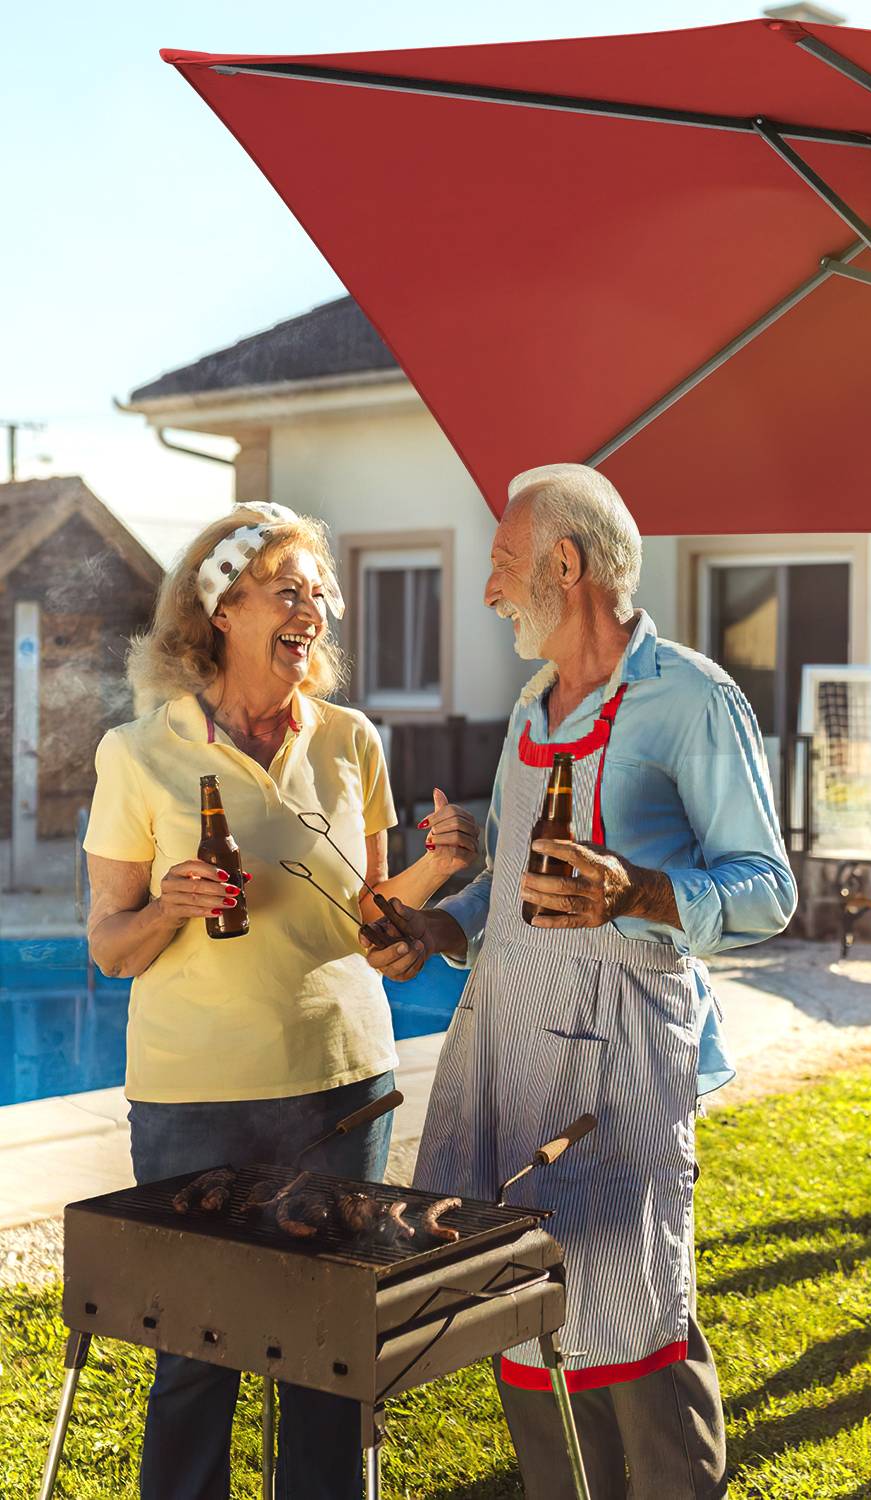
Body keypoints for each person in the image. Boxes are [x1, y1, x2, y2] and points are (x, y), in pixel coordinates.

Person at [361, 464, 796, 1500]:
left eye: (504, 566)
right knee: (525, 1312)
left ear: (567, 563)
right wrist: (435, 925)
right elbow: (506, 884)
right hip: (514, 1061)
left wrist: (639, 890)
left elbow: (771, 890)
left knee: (636, 1313)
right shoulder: (528, 710)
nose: (487, 592)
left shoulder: (693, 698)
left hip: (623, 1079)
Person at [83, 502, 478, 1500]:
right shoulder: (138, 753)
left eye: (320, 595)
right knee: (194, 1360)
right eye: (289, 590)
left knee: (328, 1364)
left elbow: (371, 924)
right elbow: (108, 947)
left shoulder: (350, 741)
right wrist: (168, 907)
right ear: (224, 608)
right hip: (193, 1100)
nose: (314, 610)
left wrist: (423, 903)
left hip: (340, 1085)